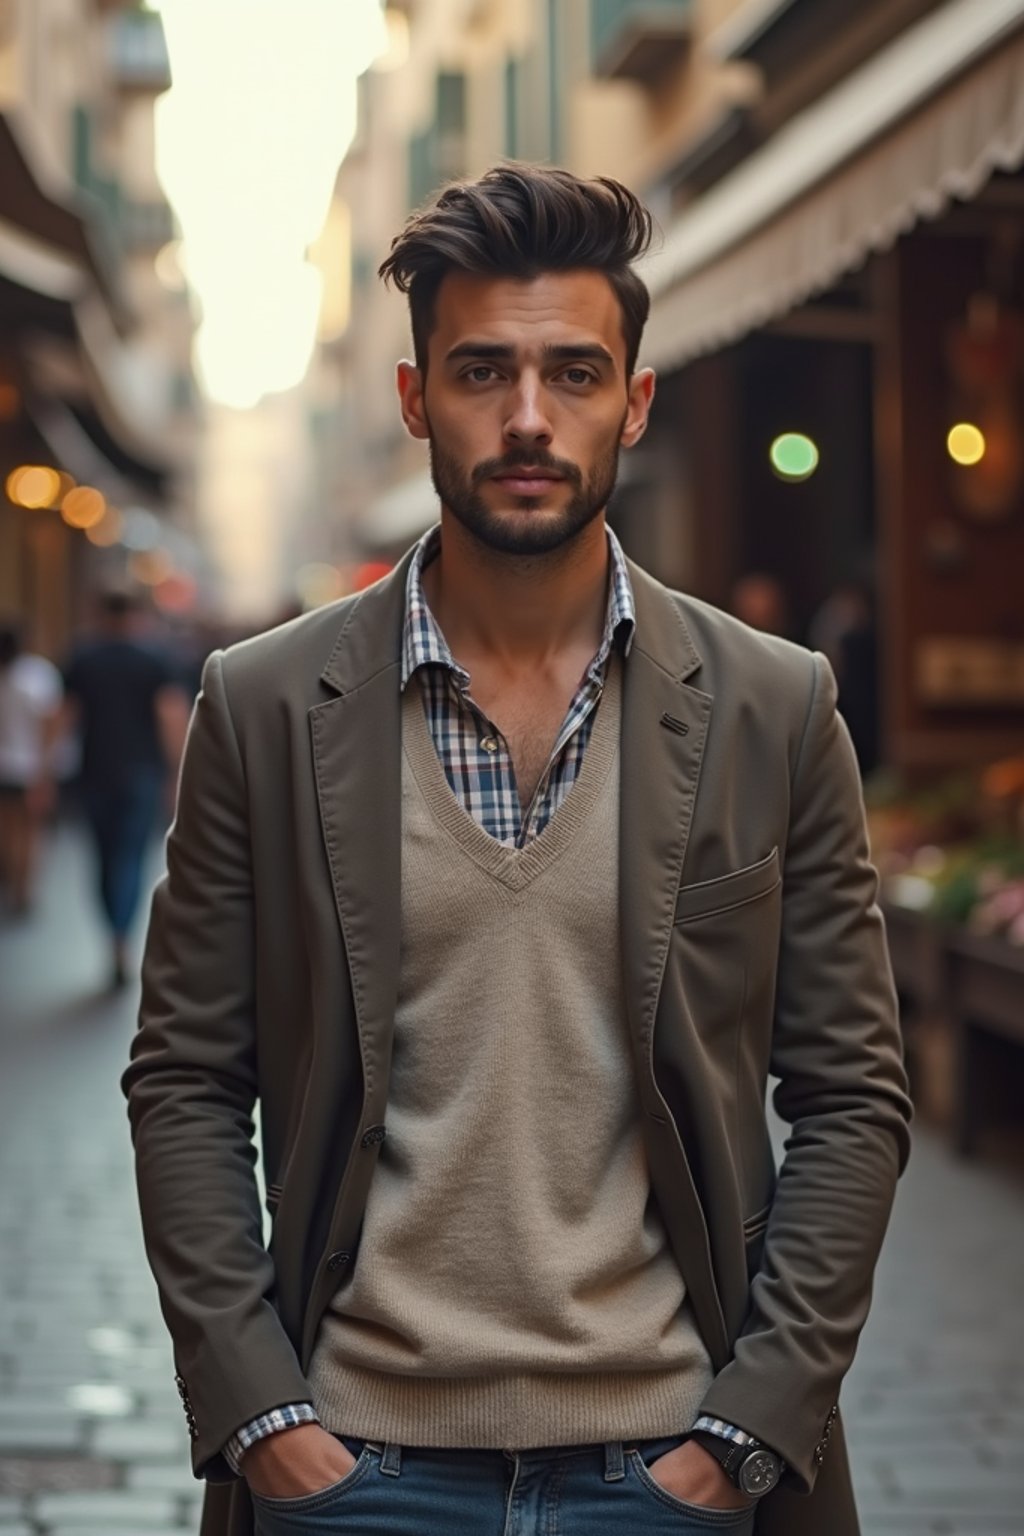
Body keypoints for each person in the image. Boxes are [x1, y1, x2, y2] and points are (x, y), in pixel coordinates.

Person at [123, 165, 911, 1536]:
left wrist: (753, 1423)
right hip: (356, 1467)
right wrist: (258, 1413)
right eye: (483, 372)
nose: (530, 418)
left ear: (636, 401)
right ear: (417, 399)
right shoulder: (261, 705)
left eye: (574, 373)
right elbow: (187, 1075)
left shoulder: (773, 709)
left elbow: (852, 1095)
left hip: (671, 1467)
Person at [61, 590, 190, 986]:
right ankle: (121, 938)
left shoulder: (83, 657)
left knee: (103, 858)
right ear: (135, 615)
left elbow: (63, 716)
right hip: (141, 773)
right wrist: (179, 774)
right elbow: (171, 717)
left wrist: (44, 774)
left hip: (94, 772)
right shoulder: (155, 658)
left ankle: (113, 936)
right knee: (129, 857)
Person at [0, 623, 63, 915]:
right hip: (28, 766)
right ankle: (23, 890)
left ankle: (13, 883)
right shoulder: (37, 676)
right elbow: (50, 723)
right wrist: (47, 768)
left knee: (9, 830)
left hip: (7, 766)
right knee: (29, 833)